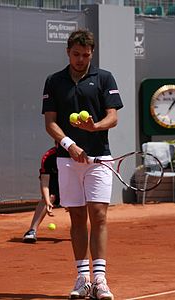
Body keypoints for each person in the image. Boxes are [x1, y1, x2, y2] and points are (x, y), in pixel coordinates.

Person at [42, 29, 123, 300]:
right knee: (77, 218)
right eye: (76, 54)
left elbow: (113, 117)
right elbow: (50, 123)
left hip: (99, 158)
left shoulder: (104, 78)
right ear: (68, 52)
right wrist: (69, 145)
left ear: (92, 53)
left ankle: (100, 280)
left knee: (99, 216)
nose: (81, 59)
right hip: (67, 159)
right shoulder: (54, 81)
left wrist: (94, 127)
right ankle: (83, 278)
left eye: (86, 55)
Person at [23, 144, 59, 243]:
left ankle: (80, 231)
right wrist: (47, 202)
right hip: (55, 181)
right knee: (48, 197)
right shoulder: (49, 156)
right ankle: (32, 231)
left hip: (73, 181)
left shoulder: (76, 154)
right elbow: (45, 182)